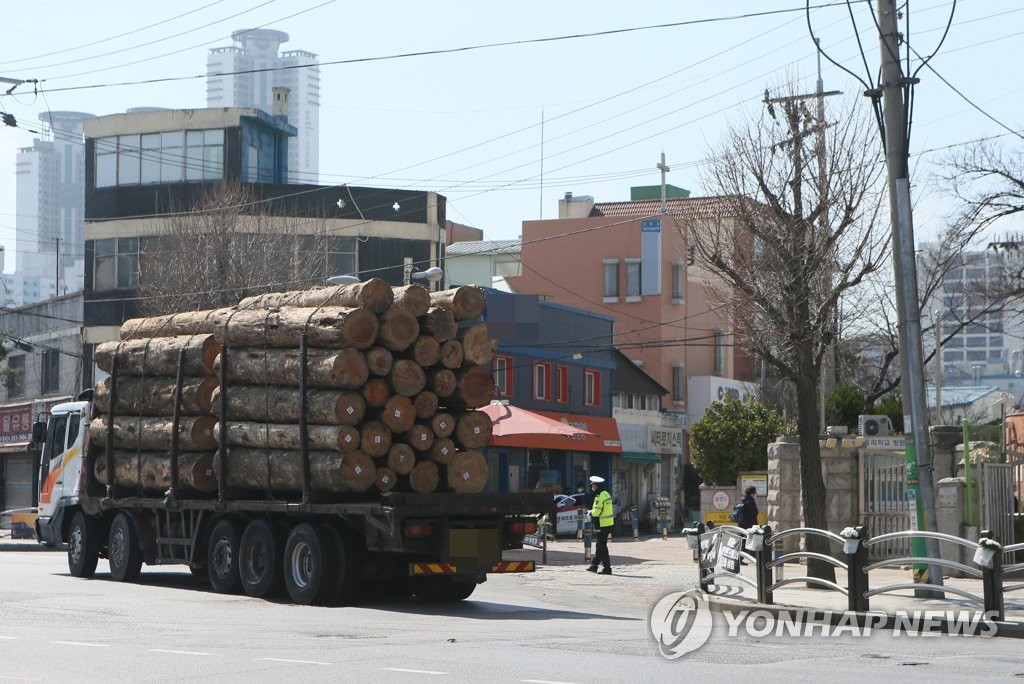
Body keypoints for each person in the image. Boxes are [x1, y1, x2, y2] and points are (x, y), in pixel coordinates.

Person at [586, 475, 614, 575]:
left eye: (593, 485)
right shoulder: (606, 494)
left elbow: (597, 512)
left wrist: (590, 513)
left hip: (601, 524)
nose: (592, 487)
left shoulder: (599, 497)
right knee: (600, 544)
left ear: (597, 485)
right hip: (608, 523)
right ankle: (594, 565)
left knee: (602, 546)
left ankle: (607, 568)